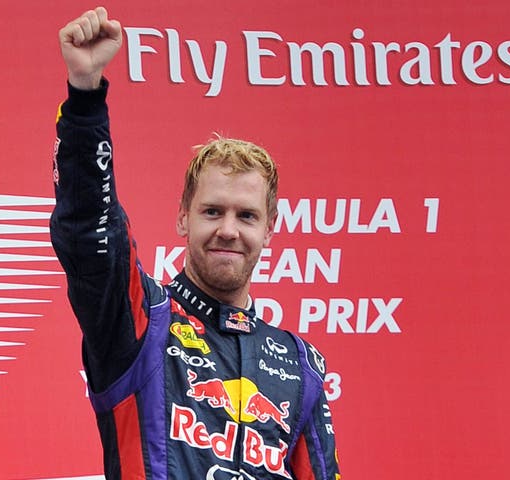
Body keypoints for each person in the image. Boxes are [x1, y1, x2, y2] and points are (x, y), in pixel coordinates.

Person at [50, 7, 341, 480]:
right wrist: (85, 99)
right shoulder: (142, 323)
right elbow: (88, 234)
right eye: (212, 211)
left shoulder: (300, 364)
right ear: (184, 217)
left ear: (269, 229)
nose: (229, 229)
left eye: (247, 215)